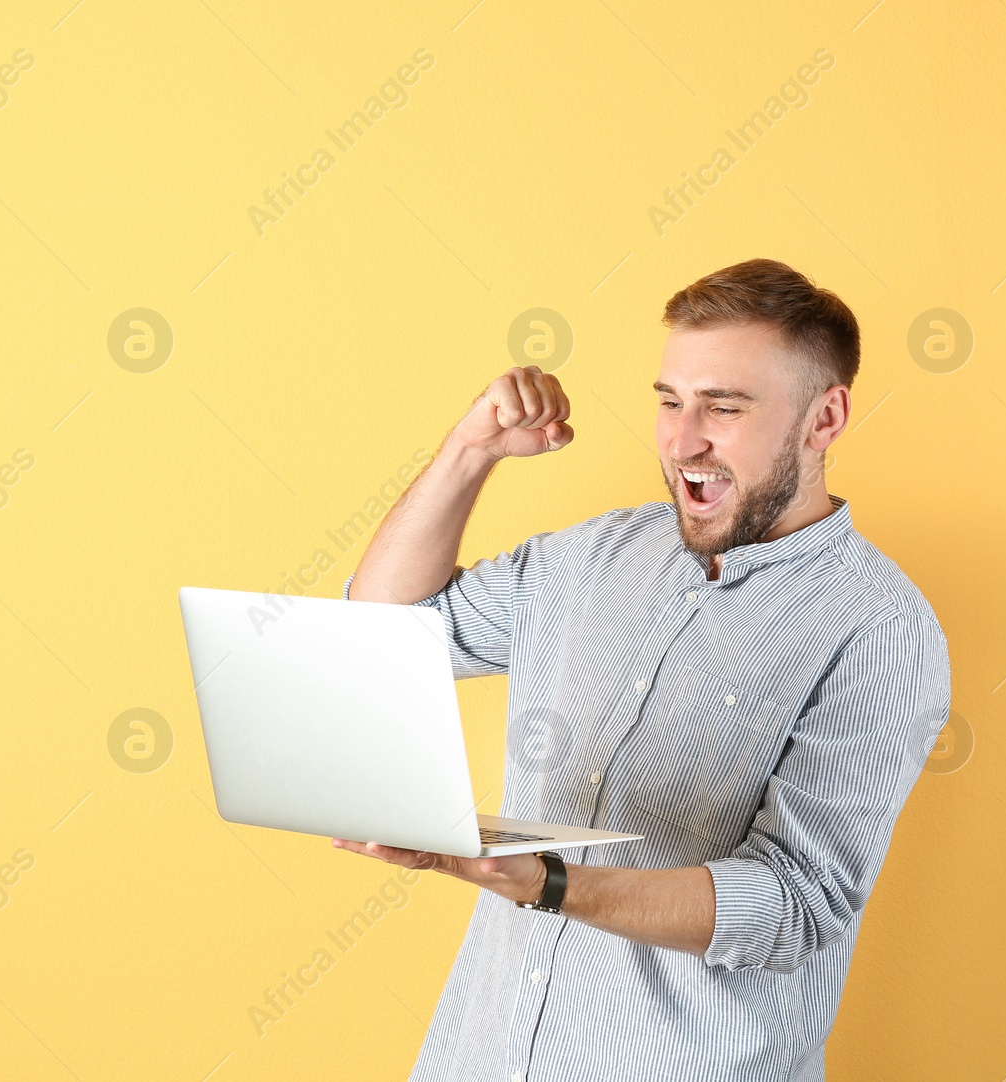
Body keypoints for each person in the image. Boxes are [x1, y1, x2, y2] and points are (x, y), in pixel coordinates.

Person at [334, 258, 952, 1080]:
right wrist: (470, 451)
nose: (682, 439)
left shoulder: (879, 630)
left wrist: (550, 883)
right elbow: (385, 635)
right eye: (669, 401)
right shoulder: (595, 554)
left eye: (724, 407)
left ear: (824, 418)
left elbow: (797, 903)